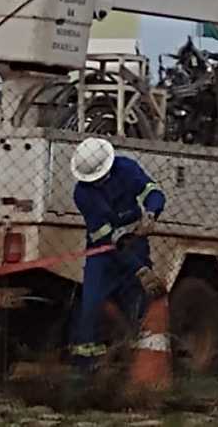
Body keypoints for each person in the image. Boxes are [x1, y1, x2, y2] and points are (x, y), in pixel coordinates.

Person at [68, 137, 167, 367]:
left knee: (136, 302)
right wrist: (140, 269)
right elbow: (107, 237)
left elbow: (153, 192)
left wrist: (151, 213)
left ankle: (133, 363)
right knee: (91, 305)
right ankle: (86, 367)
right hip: (102, 252)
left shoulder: (126, 169)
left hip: (135, 243)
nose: (99, 184)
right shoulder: (82, 194)